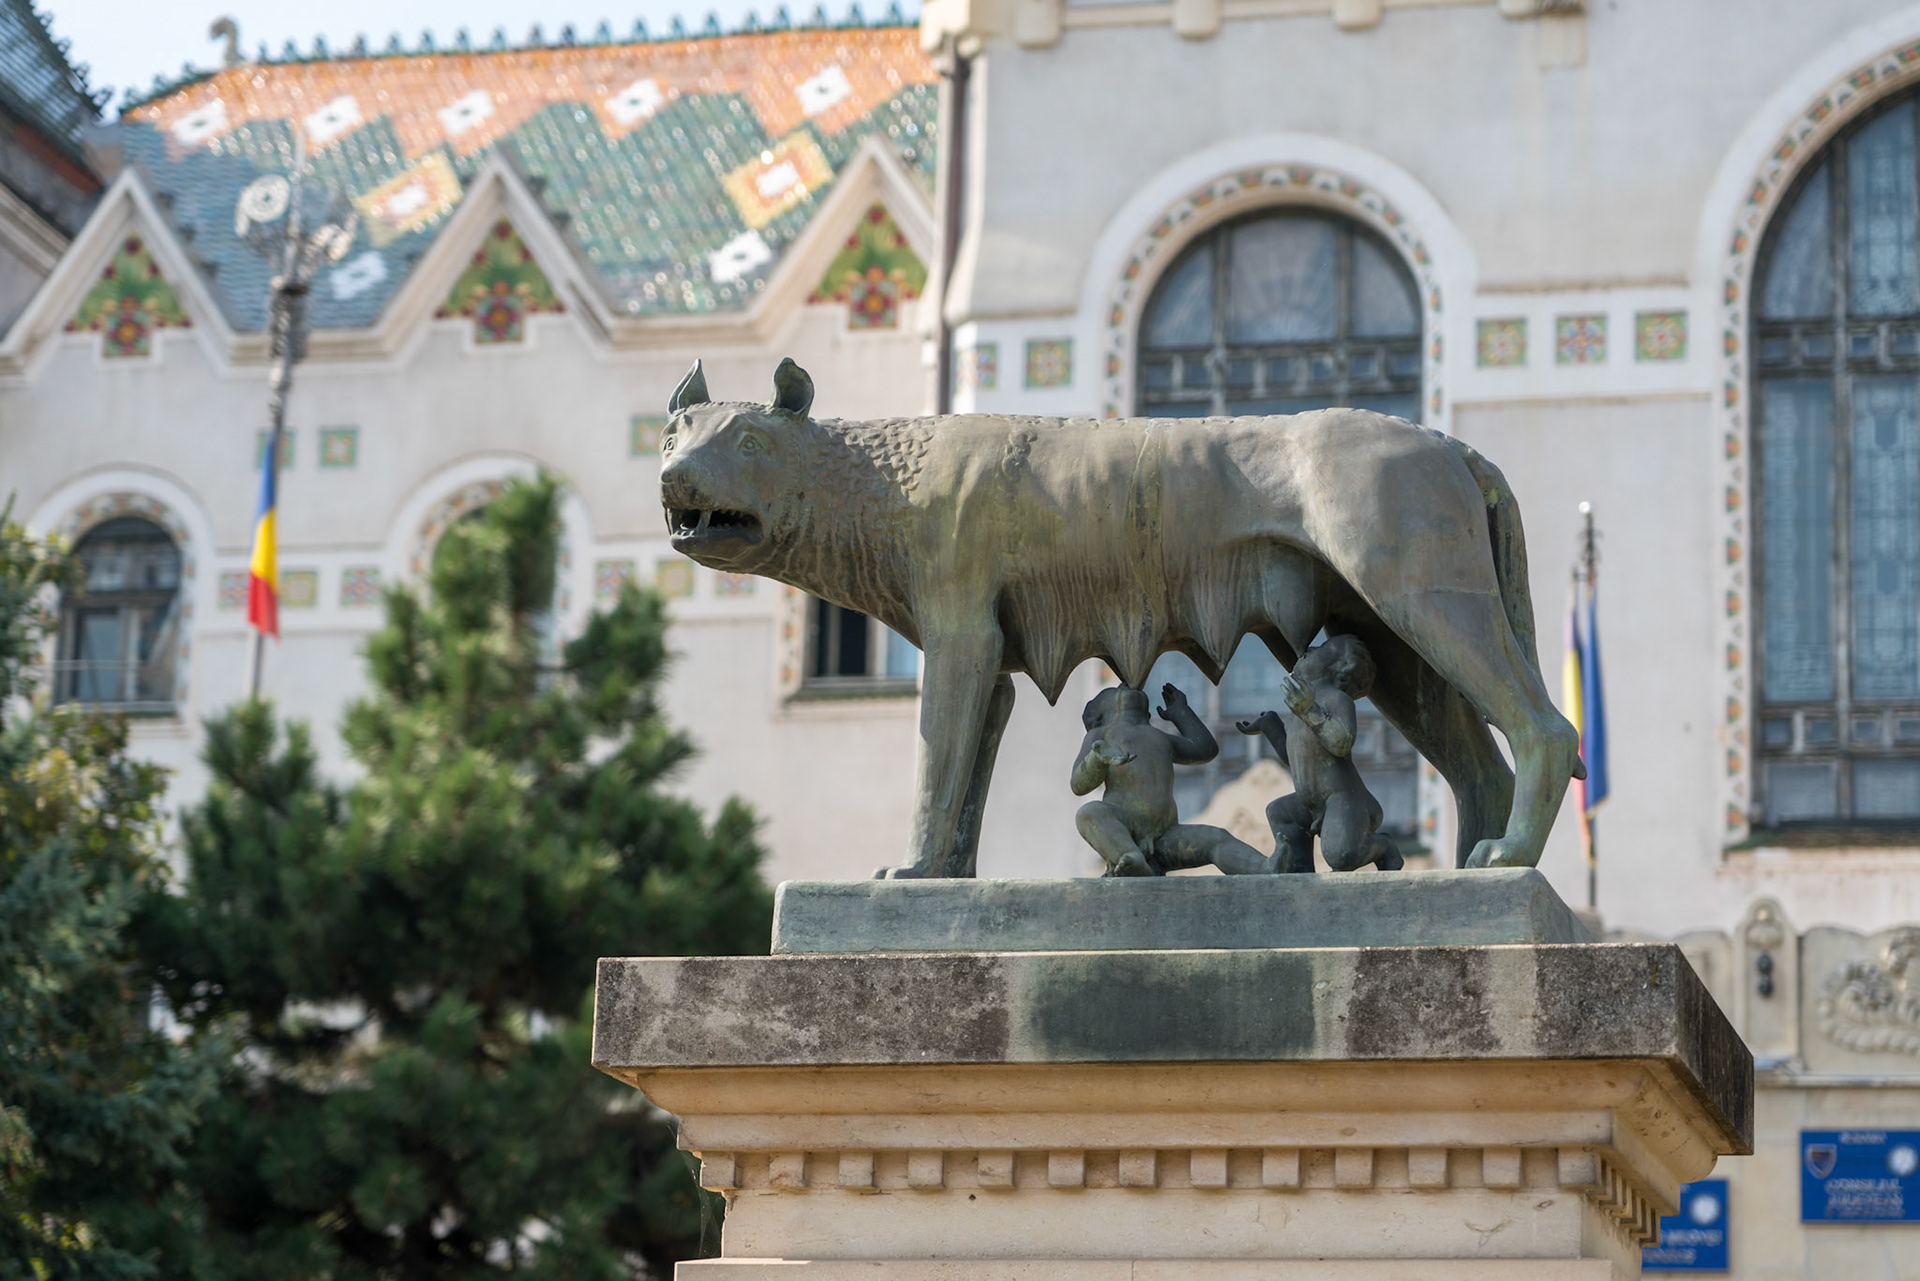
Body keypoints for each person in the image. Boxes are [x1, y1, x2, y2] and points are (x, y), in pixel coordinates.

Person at [1237, 635, 1403, 874]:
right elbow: (1294, 759)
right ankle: (1301, 870)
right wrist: (1270, 725)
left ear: (1344, 665)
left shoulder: (1337, 700)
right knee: (1280, 812)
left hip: (1345, 799)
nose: (1311, 647)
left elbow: (1341, 743)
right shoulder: (1299, 708)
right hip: (1311, 801)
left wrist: (1310, 711)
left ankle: (1384, 846)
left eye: (1324, 647)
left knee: (1341, 857)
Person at [1071, 682, 1275, 876]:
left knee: (1217, 838)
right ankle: (1129, 856)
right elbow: (1078, 785)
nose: (1124, 685)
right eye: (1114, 690)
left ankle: (1266, 868)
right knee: (1089, 813)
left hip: (1166, 838)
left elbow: (1205, 749)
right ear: (1100, 716)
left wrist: (1181, 713)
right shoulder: (1101, 735)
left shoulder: (1160, 737)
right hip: (1126, 831)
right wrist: (1097, 758)